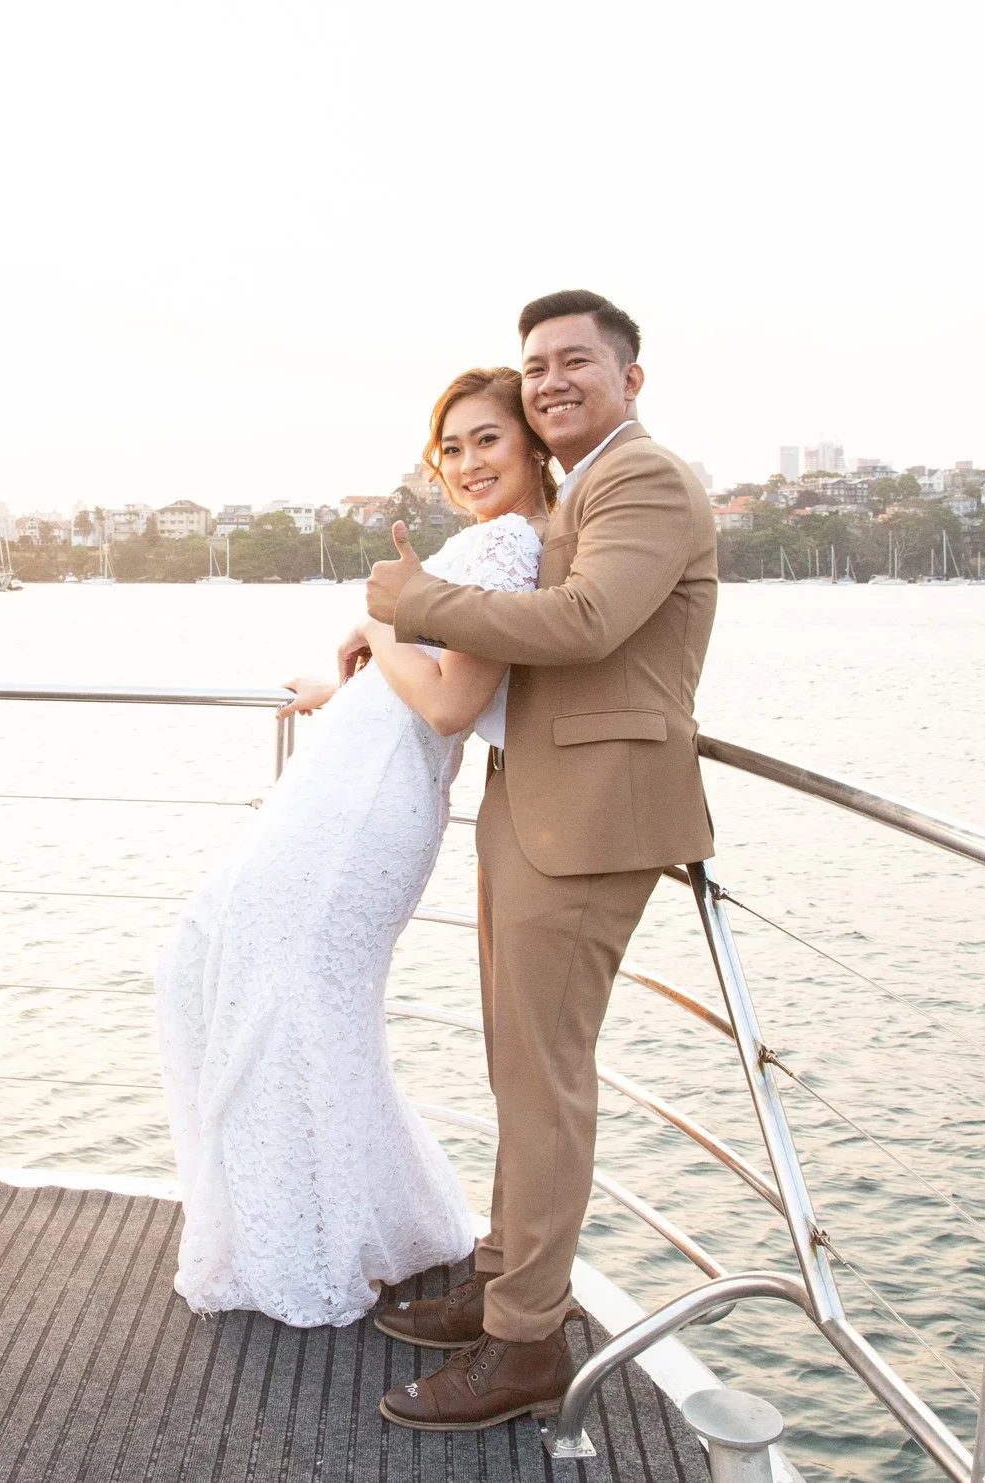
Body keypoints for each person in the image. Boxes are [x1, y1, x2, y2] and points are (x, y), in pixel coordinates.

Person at [358, 290, 718, 1431]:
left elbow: (584, 622)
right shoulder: (585, 484)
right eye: (537, 365)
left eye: (576, 361)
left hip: (596, 814)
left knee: (547, 1079)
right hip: (538, 796)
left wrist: (415, 601)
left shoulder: (644, 478)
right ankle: (504, 1273)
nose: (553, 379)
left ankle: (525, 1343)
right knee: (518, 1062)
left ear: (629, 375)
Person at [154, 368, 556, 1328]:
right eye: (450, 448)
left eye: (487, 440)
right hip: (343, 789)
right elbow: (424, 686)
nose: (466, 463)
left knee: (279, 995)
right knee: (238, 971)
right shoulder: (485, 542)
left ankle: (309, 1243)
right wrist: (346, 686)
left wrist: (380, 618)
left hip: (363, 815)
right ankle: (361, 1220)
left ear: (533, 446)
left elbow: (455, 702)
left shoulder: (507, 546)